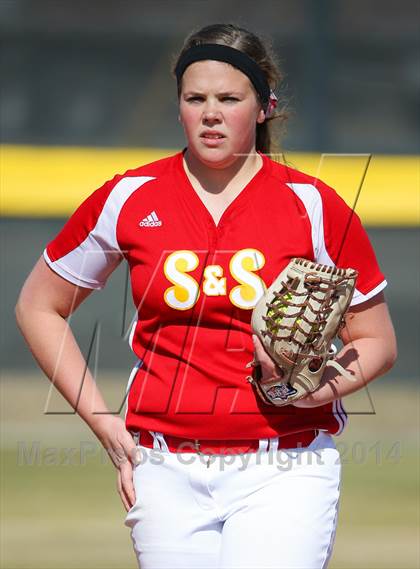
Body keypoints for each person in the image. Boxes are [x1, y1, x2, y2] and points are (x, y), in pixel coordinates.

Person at [15, 23, 397, 569]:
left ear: (263, 107)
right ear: (179, 108)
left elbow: (377, 341)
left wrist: (313, 389)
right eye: (195, 98)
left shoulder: (312, 205)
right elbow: (38, 305)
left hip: (283, 469)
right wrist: (103, 421)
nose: (210, 112)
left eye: (229, 98)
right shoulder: (129, 197)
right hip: (164, 467)